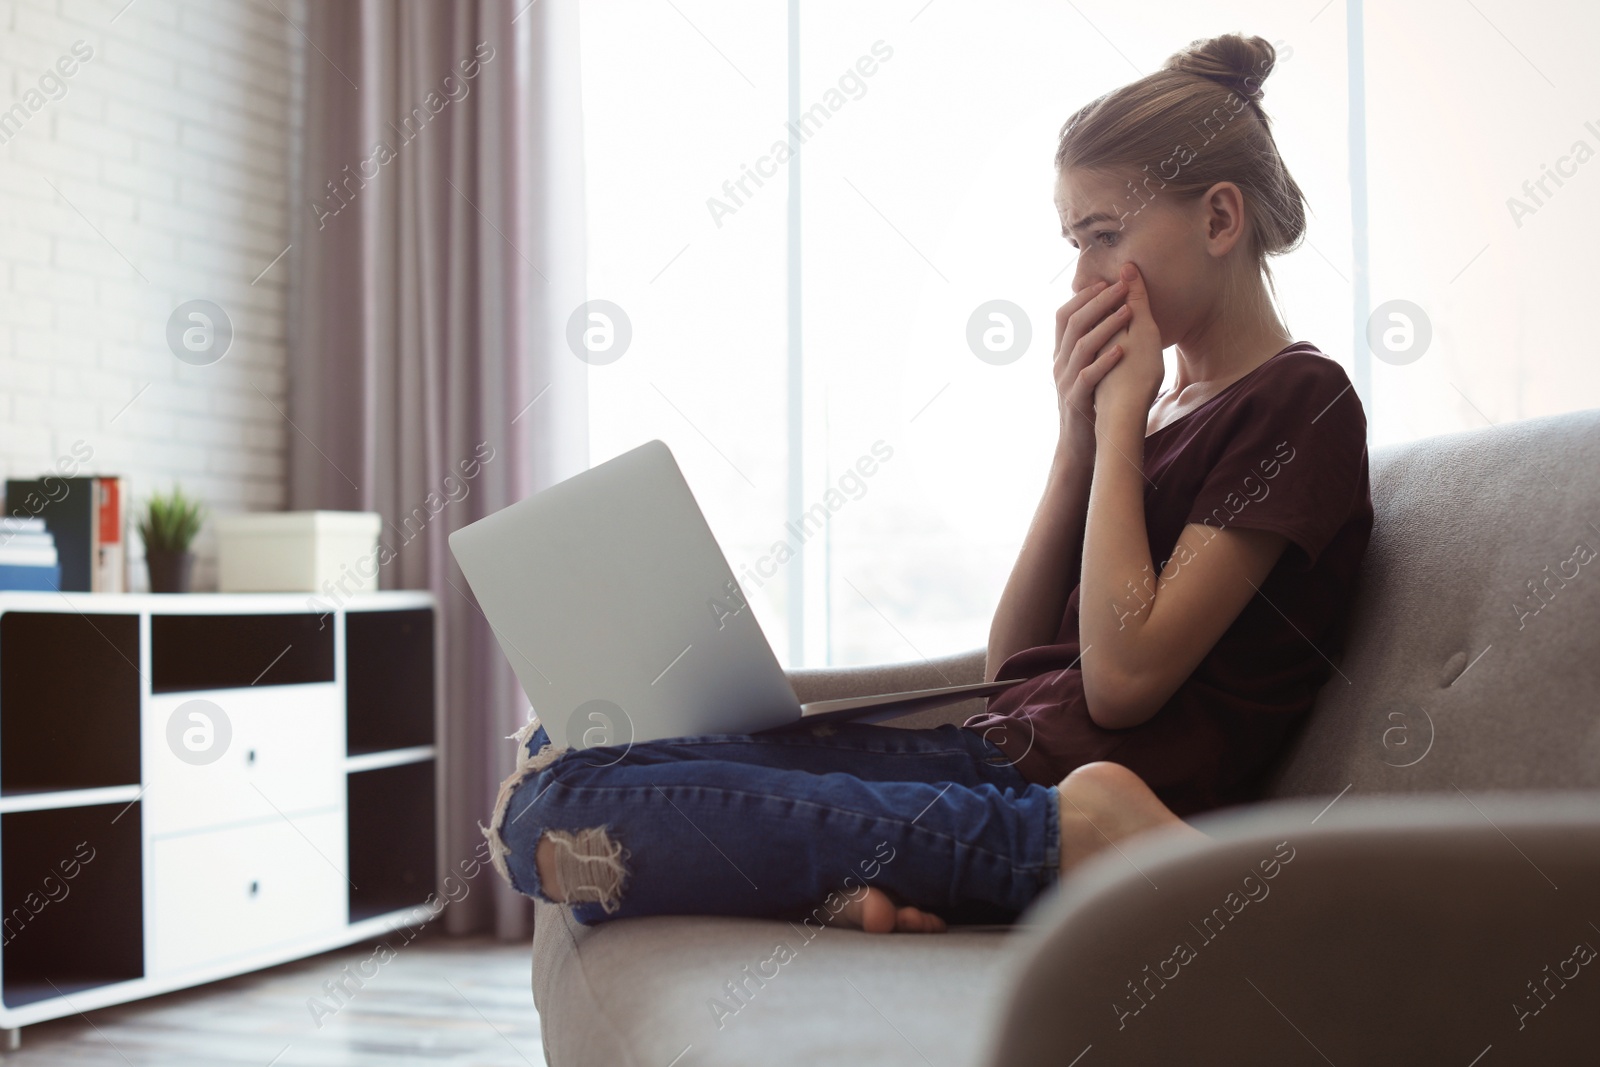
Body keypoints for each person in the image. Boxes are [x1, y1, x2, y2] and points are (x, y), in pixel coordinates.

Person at [482, 32, 1373, 935]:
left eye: (1106, 236)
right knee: (561, 746)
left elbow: (1124, 682)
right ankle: (834, 882)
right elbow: (1009, 667)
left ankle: (1090, 839)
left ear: (1220, 220)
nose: (1082, 278)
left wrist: (1117, 436)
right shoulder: (1162, 412)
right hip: (985, 764)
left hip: (1050, 796)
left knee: (558, 814)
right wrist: (1076, 441)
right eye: (1074, 243)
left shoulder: (1300, 403)